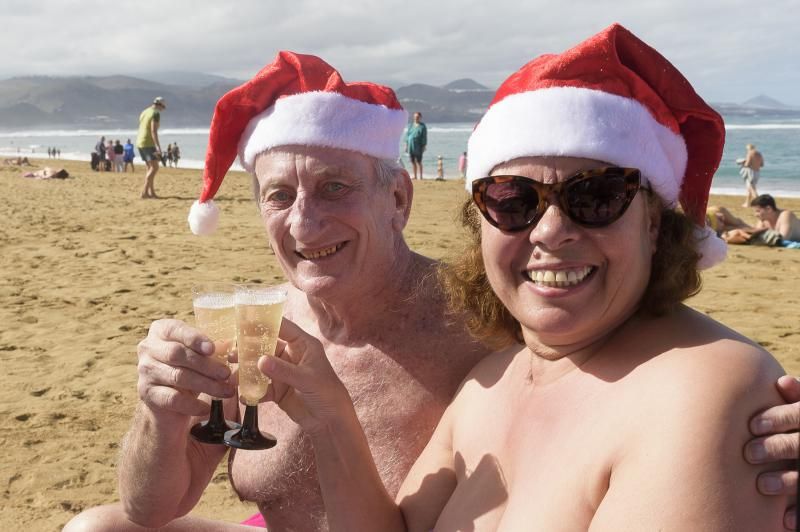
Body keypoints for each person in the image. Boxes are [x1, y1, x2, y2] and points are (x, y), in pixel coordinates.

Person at [64, 51, 799, 532]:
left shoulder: (497, 333)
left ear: (400, 200)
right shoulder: (494, 376)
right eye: (512, 201)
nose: (548, 232)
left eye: (596, 196)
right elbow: (154, 505)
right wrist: (160, 414)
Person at [724, 194, 800, 246]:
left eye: (758, 211)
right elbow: (755, 234)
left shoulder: (785, 215)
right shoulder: (764, 220)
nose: (755, 214)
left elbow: (782, 239)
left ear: (768, 209)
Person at [136, 96, 166, 198]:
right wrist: (158, 147)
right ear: (160, 105)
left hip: (140, 141)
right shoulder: (155, 113)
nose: (163, 109)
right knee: (155, 167)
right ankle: (144, 192)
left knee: (150, 167)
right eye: (163, 107)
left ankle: (151, 193)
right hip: (148, 142)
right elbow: (153, 131)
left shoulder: (145, 112)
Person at [405, 111, 427, 179]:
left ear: (420, 117)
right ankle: (415, 176)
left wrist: (424, 146)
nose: (416, 118)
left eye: (417, 117)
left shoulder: (422, 126)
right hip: (410, 146)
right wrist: (406, 145)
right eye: (414, 117)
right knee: (412, 162)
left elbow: (424, 137)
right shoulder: (411, 125)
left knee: (419, 161)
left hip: (418, 146)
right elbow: (407, 135)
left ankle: (421, 176)